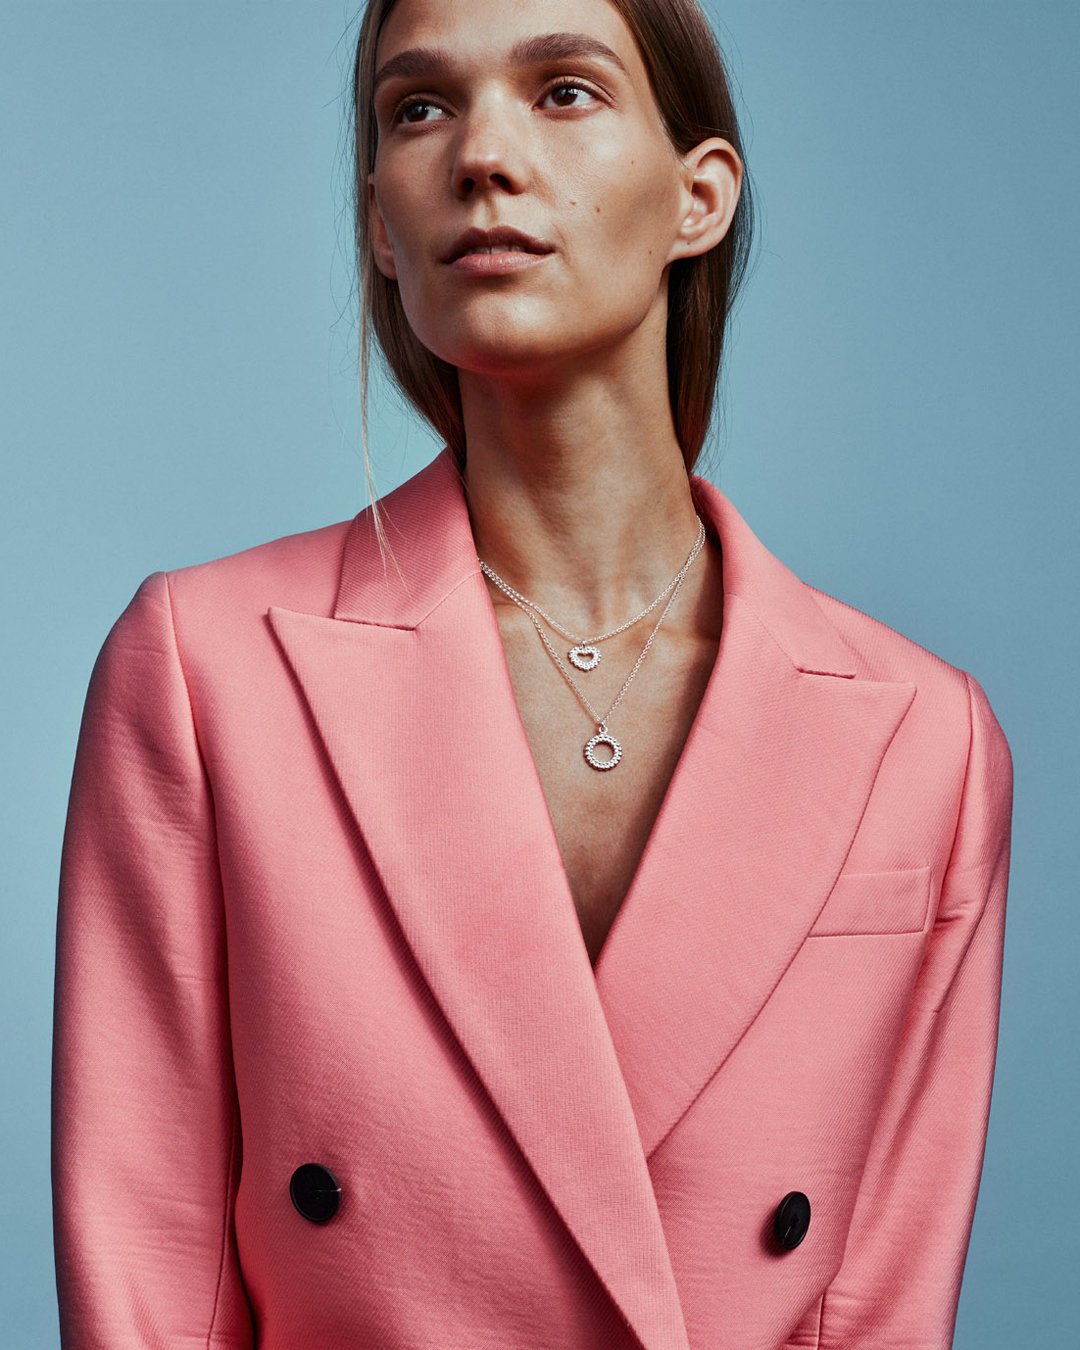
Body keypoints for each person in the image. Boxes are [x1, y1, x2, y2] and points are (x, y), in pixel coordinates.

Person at [50, 0, 1014, 1346]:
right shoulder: (205, 672)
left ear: (699, 197)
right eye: (418, 108)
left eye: (563, 90)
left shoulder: (924, 741)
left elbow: (883, 1308)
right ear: (379, 227)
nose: (482, 157)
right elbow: (148, 1272)